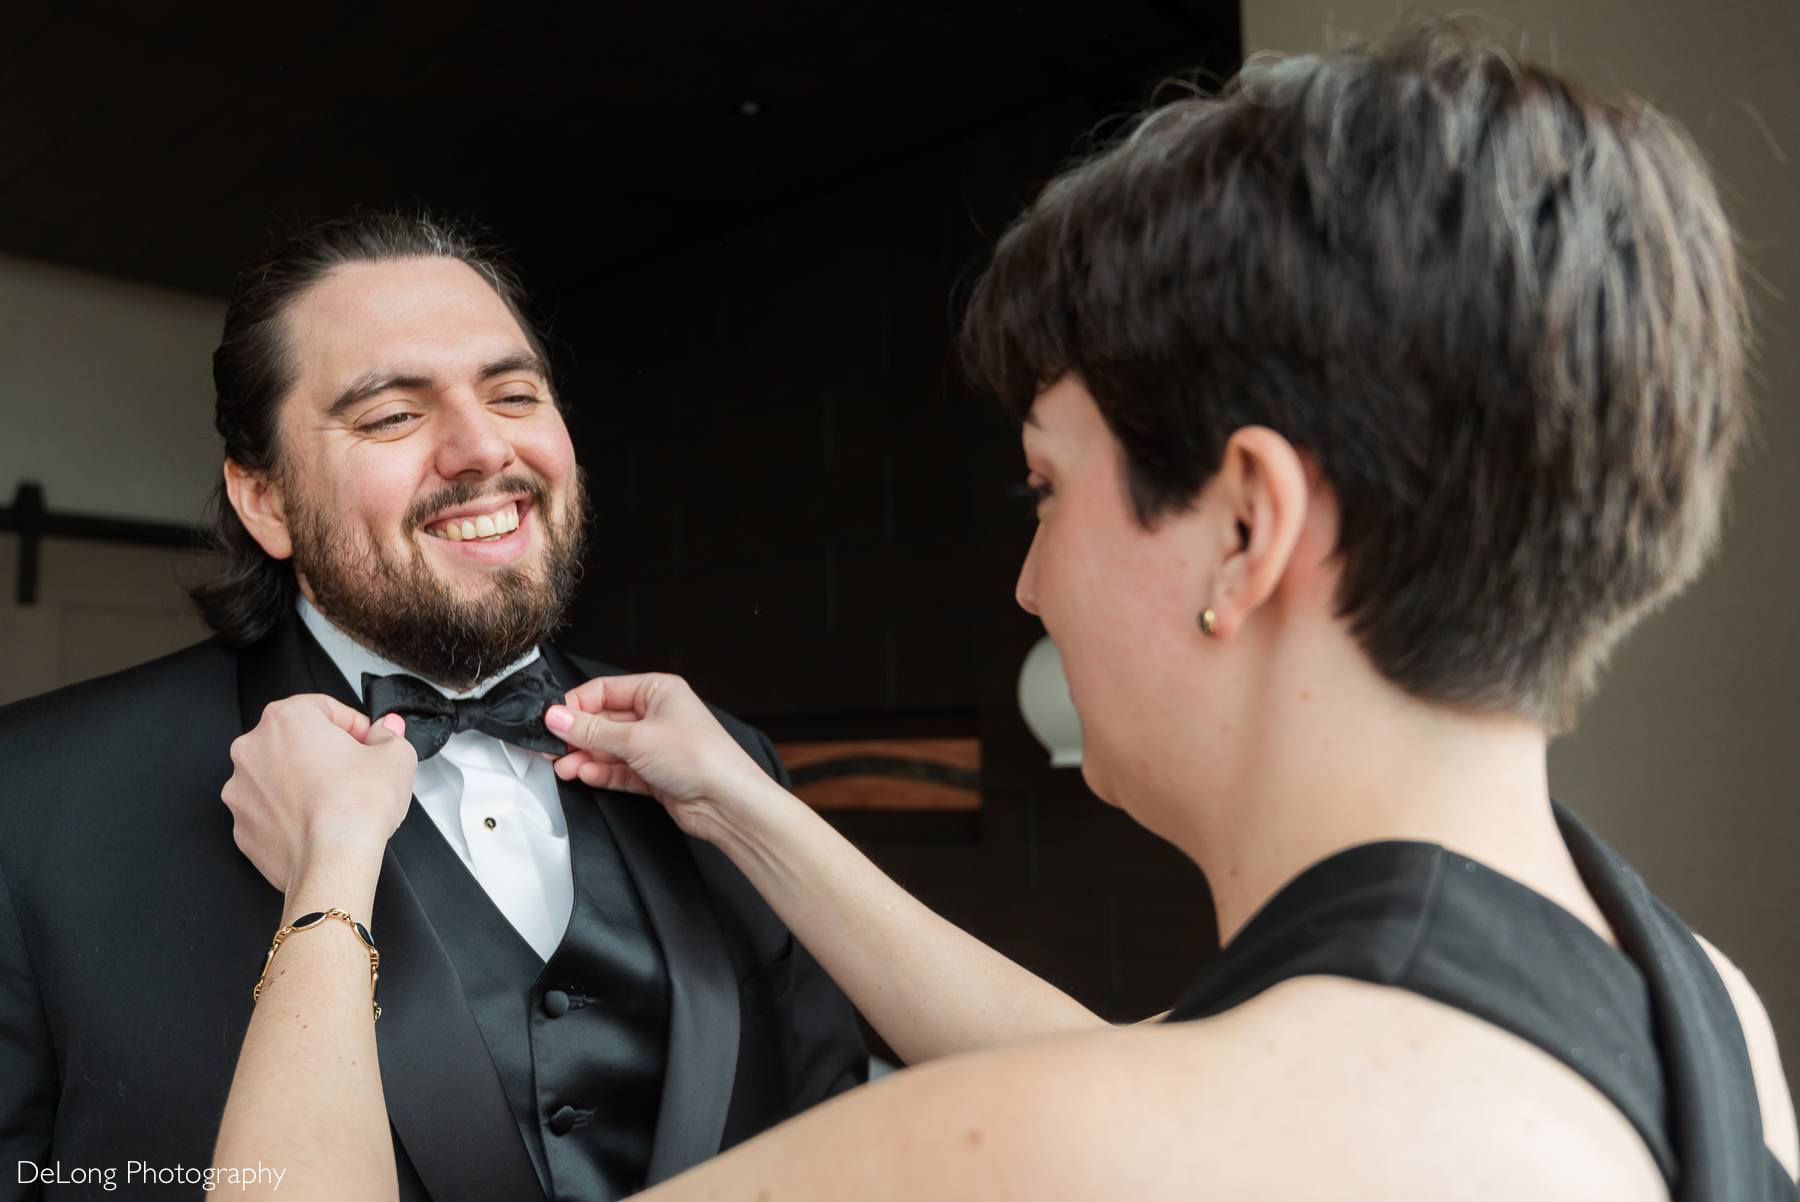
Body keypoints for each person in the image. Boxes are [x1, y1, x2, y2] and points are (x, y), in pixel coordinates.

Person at [219, 23, 1799, 1201]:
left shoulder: (1072, 1155)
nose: (1029, 578)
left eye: (1048, 490)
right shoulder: (1697, 1006)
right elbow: (1125, 1068)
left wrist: (334, 869)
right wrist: (753, 811)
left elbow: (1114, 1114)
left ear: (1247, 523)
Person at [0, 215, 867, 1202]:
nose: (482, 447)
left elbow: (834, 1121)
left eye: (513, 393)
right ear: (265, 500)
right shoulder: (31, 804)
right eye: (392, 416)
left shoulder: (727, 764)